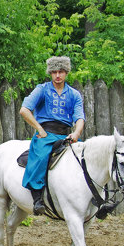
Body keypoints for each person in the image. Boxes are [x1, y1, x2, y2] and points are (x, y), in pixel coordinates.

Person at [19, 56, 85, 214]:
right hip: (45, 134)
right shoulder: (42, 89)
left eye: (61, 72)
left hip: (66, 135)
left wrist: (76, 133)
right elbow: (24, 110)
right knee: (41, 157)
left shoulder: (74, 94)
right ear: (50, 73)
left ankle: (93, 198)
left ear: (66, 73)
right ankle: (37, 198)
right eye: (54, 72)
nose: (57, 75)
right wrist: (39, 129)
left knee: (85, 158)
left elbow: (80, 117)